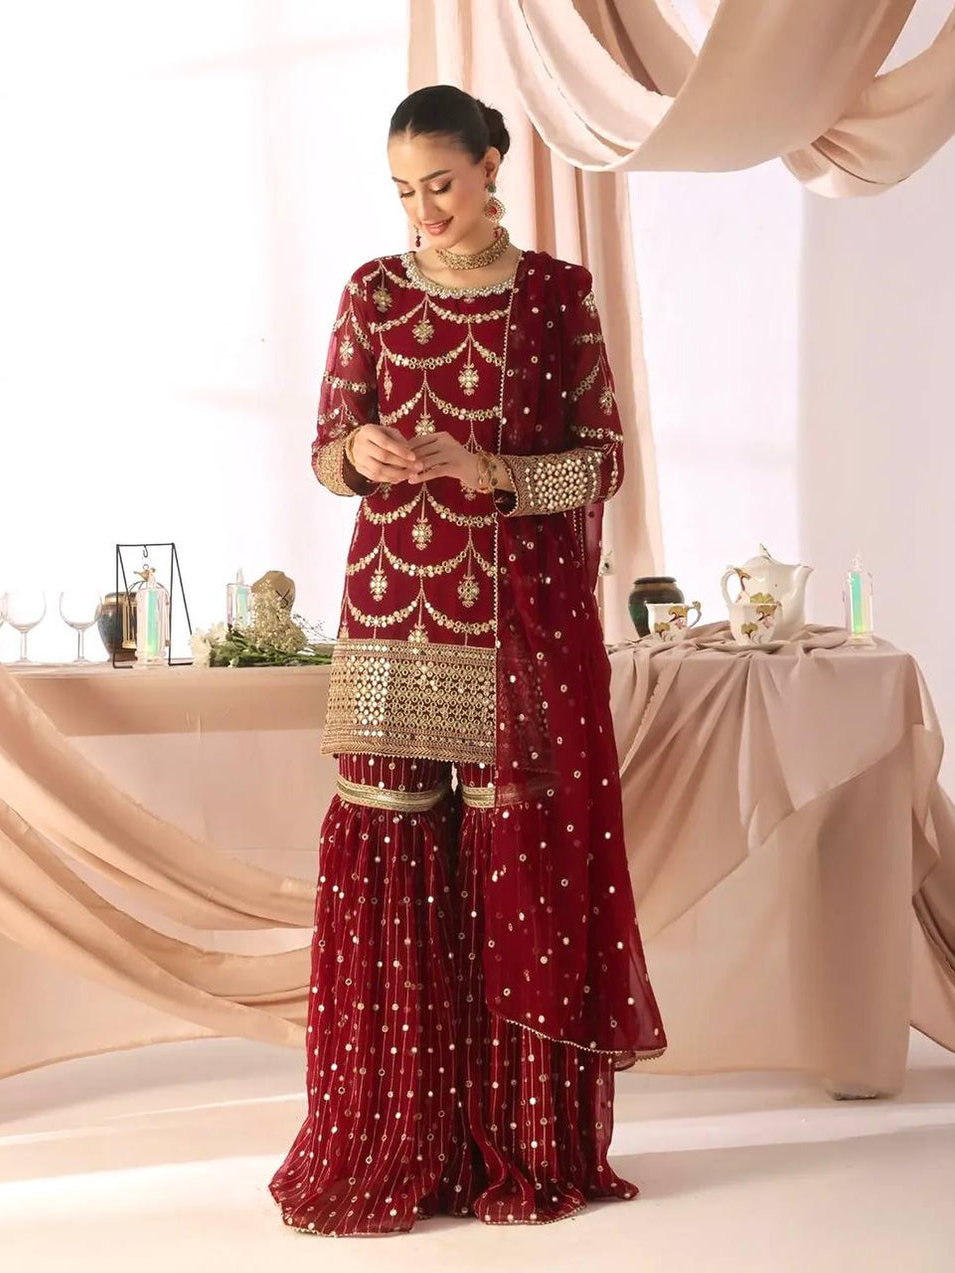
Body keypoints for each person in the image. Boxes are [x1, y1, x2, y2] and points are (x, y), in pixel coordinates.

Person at [269, 83, 665, 1237]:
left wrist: (491, 472)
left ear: (493, 164)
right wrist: (362, 452)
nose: (422, 211)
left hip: (513, 630)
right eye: (403, 190)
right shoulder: (374, 292)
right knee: (394, 856)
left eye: (439, 182)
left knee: (508, 859)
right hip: (392, 610)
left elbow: (600, 460)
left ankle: (518, 1145)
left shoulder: (553, 297)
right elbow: (321, 450)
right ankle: (401, 1137)